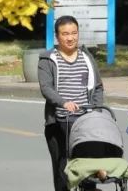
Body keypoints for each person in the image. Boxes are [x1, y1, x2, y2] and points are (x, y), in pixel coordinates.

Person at [39, 15, 105, 191]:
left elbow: (98, 87)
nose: (70, 38)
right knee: (61, 170)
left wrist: (96, 111)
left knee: (86, 166)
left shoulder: (86, 57)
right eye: (65, 34)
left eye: (74, 33)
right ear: (57, 36)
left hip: (85, 121)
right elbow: (46, 88)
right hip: (59, 122)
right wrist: (63, 102)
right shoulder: (47, 59)